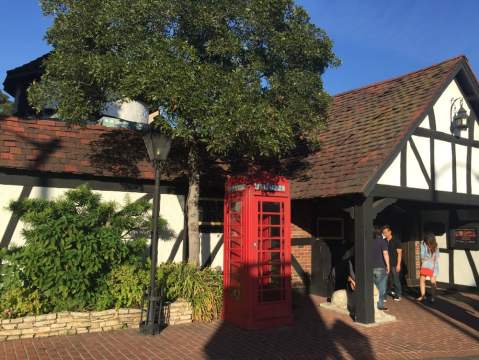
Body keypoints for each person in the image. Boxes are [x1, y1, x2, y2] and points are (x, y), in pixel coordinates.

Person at [417, 233, 440, 303]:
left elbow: (422, 256)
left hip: (428, 265)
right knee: (430, 281)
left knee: (425, 281)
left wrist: (427, 258)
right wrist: (431, 257)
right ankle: (430, 297)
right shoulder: (434, 245)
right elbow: (437, 256)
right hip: (432, 265)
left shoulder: (424, 244)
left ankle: (425, 296)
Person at [382, 225, 402, 301]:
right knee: (385, 280)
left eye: (386, 232)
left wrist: (398, 265)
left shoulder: (396, 240)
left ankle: (398, 295)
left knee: (396, 279)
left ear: (390, 232)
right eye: (383, 233)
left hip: (394, 264)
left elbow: (400, 253)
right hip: (386, 264)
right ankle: (384, 296)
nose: (385, 234)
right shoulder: (383, 241)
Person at [372, 233, 390, 311]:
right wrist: (388, 265)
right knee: (381, 287)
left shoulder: (369, 241)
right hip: (380, 267)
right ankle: (380, 305)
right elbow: (385, 253)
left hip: (370, 267)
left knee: (373, 287)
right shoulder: (382, 242)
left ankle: (372, 304)